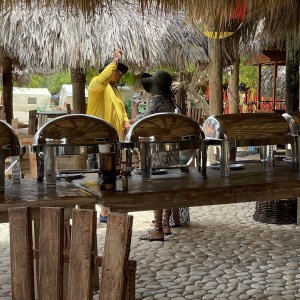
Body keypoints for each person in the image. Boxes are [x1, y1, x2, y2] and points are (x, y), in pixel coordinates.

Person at [137, 70, 189, 241]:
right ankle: (165, 224)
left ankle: (158, 227)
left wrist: (136, 112)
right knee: (167, 187)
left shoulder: (156, 103)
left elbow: (141, 122)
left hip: (157, 151)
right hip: (171, 151)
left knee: (157, 188)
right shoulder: (171, 103)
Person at [87, 48, 131, 223]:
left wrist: (126, 121)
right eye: (117, 70)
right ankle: (102, 211)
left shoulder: (116, 91)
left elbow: (121, 110)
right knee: (99, 174)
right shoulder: (97, 85)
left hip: (113, 140)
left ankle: (106, 210)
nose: (119, 73)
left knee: (112, 174)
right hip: (98, 139)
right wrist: (114, 61)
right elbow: (103, 78)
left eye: (120, 71)